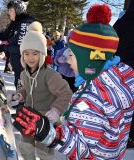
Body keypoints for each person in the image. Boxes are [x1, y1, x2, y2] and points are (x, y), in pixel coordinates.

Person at [12, 4, 134, 160]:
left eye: (73, 54)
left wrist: (51, 134)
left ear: (88, 59)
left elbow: (82, 148)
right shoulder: (111, 82)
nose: (67, 57)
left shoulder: (91, 100)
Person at [9, 21, 72, 160]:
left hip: (45, 120)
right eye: (26, 54)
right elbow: (25, 87)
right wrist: (20, 94)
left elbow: (66, 93)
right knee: (25, 146)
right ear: (22, 55)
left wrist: (56, 110)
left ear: (42, 54)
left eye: (35, 54)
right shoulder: (24, 74)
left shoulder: (49, 75)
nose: (30, 58)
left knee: (44, 152)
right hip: (28, 116)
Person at [0, 0, 35, 88]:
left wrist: (5, 47)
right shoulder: (15, 23)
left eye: (11, 10)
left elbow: (21, 49)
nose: (9, 13)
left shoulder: (25, 24)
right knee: (19, 87)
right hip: (18, 65)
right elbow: (4, 36)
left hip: (25, 67)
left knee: (23, 90)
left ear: (18, 10)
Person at [113, 1, 134, 148]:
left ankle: (123, 135)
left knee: (123, 104)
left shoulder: (122, 22)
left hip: (123, 71)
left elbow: (111, 44)